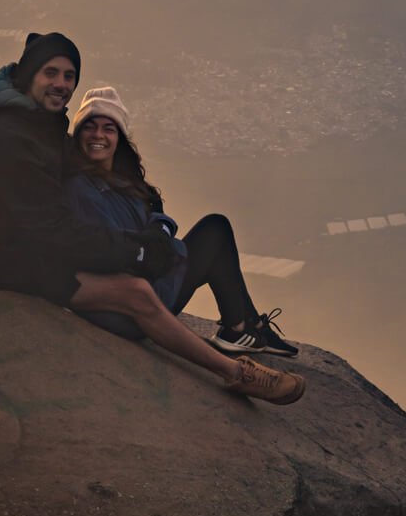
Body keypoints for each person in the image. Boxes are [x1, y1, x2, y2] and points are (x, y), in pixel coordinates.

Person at [0, 31, 304, 404]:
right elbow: (52, 231)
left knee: (157, 267)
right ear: (29, 74)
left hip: (17, 247)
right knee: (135, 292)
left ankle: (239, 331)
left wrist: (150, 235)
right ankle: (236, 372)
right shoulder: (10, 138)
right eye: (51, 73)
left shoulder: (36, 124)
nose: (62, 84)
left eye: (69, 76)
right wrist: (137, 253)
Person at [68, 84, 299, 360]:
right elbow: (113, 250)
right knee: (215, 231)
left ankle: (244, 325)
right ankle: (240, 329)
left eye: (109, 128)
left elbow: (154, 215)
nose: (98, 135)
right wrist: (156, 244)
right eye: (89, 127)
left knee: (215, 229)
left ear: (119, 138)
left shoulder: (120, 183)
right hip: (133, 304)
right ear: (78, 133)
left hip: (148, 284)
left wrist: (160, 230)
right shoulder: (80, 188)